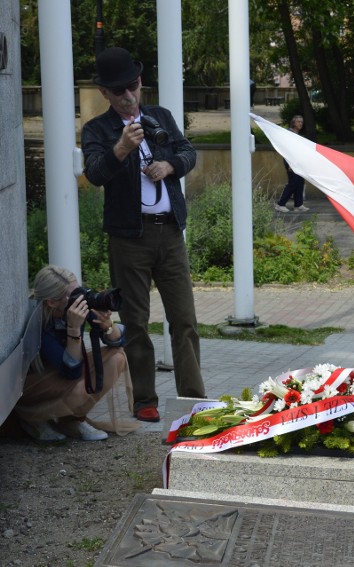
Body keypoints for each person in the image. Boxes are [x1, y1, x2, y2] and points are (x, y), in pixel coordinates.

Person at [81, 47, 206, 423]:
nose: (128, 95)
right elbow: (95, 174)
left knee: (184, 318)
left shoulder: (160, 117)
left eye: (133, 86)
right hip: (128, 239)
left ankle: (193, 399)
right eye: (119, 91)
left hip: (169, 233)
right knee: (135, 322)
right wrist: (121, 148)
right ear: (105, 93)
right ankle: (145, 400)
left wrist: (169, 165)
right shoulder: (97, 130)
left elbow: (188, 152)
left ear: (140, 83)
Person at [15, 266, 136, 441]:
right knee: (81, 388)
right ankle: (34, 420)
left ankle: (72, 420)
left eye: (79, 290)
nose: (80, 297)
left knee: (117, 357)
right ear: (52, 302)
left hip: (61, 375)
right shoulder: (38, 322)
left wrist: (107, 324)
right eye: (74, 295)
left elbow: (119, 341)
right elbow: (71, 371)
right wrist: (74, 329)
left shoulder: (71, 306)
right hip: (33, 386)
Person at [274, 115, 310, 213]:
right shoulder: (289, 134)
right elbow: (287, 150)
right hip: (291, 162)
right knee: (293, 183)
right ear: (293, 123)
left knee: (300, 182)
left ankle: (298, 205)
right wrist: (290, 163)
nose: (300, 124)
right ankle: (280, 204)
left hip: (298, 162)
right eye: (298, 122)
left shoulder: (297, 134)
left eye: (302, 122)